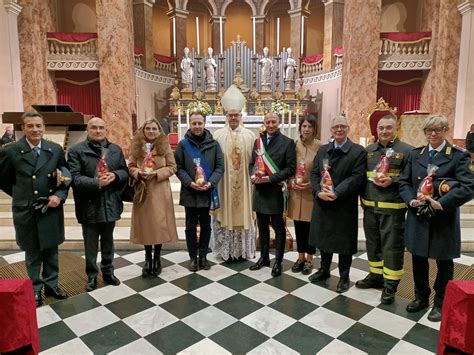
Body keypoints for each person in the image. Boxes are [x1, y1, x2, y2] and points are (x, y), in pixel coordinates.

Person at [400, 114, 474, 322]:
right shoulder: (416, 155)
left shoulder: (459, 156)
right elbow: (405, 183)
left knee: (444, 262)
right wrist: (412, 201)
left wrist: (442, 203)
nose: (433, 133)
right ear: (424, 132)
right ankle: (421, 297)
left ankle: (440, 302)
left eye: (438, 129)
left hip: (443, 218)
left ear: (445, 130)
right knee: (418, 258)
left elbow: (469, 187)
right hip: (418, 215)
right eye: (429, 130)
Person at [0, 112, 70, 307]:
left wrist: (59, 195)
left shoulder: (54, 149)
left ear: (44, 127)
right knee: (32, 252)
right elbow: (4, 180)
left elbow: (65, 175)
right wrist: (22, 194)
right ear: (23, 129)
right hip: (27, 209)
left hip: (50, 206)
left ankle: (52, 285)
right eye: (30, 126)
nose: (35, 129)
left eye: (38, 125)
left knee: (51, 249)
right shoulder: (11, 151)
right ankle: (35, 289)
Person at [356, 115, 413, 304]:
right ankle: (376, 276)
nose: (384, 131)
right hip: (370, 208)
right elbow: (362, 178)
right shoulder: (369, 151)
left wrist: (393, 181)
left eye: (388, 128)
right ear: (376, 130)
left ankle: (390, 285)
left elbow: (411, 180)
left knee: (391, 248)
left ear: (396, 129)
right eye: (381, 128)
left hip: (393, 210)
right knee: (373, 245)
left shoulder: (407, 151)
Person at [68, 117, 129, 292]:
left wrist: (115, 176)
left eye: (101, 128)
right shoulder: (76, 150)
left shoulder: (115, 150)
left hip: (110, 202)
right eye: (94, 128)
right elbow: (74, 178)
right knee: (91, 243)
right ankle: (92, 275)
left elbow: (124, 171)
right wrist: (97, 183)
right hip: (89, 204)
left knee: (108, 241)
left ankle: (108, 272)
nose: (98, 131)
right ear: (88, 129)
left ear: (105, 130)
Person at [308, 115, 366, 293]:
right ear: (331, 131)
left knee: (344, 243)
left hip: (343, 204)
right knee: (324, 239)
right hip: (323, 202)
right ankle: (324, 270)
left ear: (348, 128)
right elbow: (315, 173)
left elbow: (356, 177)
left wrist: (337, 192)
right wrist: (318, 192)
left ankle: (343, 276)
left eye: (342, 126)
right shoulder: (323, 150)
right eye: (335, 127)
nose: (339, 129)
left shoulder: (357, 151)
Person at [175, 110, 224, 271]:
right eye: (194, 123)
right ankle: (192, 258)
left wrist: (211, 182)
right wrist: (189, 182)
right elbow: (179, 168)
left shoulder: (214, 144)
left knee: (206, 226)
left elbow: (219, 167)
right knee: (190, 226)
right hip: (190, 191)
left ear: (204, 124)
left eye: (200, 123)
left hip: (207, 191)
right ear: (190, 124)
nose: (197, 126)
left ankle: (203, 257)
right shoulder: (183, 145)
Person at [128, 119, 178, 276]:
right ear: (143, 130)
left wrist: (157, 173)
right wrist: (138, 173)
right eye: (148, 128)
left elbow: (172, 167)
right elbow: (130, 166)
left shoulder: (165, 146)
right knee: (145, 225)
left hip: (159, 189)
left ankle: (157, 258)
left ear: (159, 131)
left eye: (154, 128)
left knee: (159, 224)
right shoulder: (136, 146)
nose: (151, 131)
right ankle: (147, 258)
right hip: (143, 190)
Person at [249, 112, 296, 277]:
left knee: (278, 228)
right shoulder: (258, 142)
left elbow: (290, 168)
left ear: (279, 122)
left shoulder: (288, 143)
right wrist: (253, 175)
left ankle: (278, 261)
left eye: (273, 122)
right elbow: (251, 164)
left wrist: (269, 178)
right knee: (262, 228)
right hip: (260, 192)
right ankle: (264, 258)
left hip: (275, 191)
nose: (270, 125)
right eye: (268, 122)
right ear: (264, 122)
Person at [213, 85, 256, 261]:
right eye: (230, 115)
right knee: (225, 211)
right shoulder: (217, 135)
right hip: (224, 184)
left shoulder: (250, 136)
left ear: (240, 116)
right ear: (226, 116)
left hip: (244, 182)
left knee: (243, 211)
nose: (233, 118)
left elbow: (256, 162)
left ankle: (242, 251)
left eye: (236, 115)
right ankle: (226, 251)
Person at [287, 113, 321, 275]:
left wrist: (313, 184)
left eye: (310, 126)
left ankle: (309, 259)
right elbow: (289, 166)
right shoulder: (294, 145)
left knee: (310, 228)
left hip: (310, 194)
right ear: (300, 127)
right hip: (296, 192)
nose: (306, 129)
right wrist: (291, 180)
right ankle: (300, 257)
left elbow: (324, 171)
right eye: (304, 126)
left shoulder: (321, 147)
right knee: (299, 227)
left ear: (314, 129)